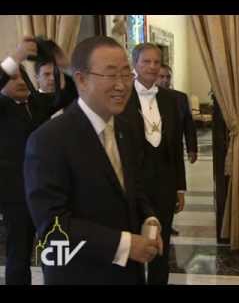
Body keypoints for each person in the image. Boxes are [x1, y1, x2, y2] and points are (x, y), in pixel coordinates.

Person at [24, 36, 162, 285]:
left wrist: (149, 218)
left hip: (128, 274)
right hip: (79, 274)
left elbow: (133, 187)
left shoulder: (127, 127)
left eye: (125, 74)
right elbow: (53, 225)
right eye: (111, 75)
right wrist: (127, 245)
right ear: (81, 79)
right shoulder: (48, 140)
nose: (122, 85)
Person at [0, 37, 73, 285]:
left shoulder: (38, 104)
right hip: (15, 196)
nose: (20, 81)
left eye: (23, 77)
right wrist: (16, 57)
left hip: (48, 193)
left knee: (58, 251)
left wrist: (63, 65)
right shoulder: (2, 108)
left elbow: (71, 93)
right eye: (13, 78)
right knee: (18, 255)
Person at [119, 43, 185, 285]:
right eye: (146, 61)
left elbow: (176, 145)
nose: (152, 66)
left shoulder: (170, 99)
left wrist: (180, 187)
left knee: (161, 244)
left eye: (156, 62)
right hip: (133, 185)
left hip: (165, 186)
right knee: (133, 245)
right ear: (135, 64)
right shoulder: (122, 97)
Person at [157, 64, 198, 164]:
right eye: (161, 77)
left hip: (175, 150)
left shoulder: (180, 97)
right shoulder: (148, 98)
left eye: (168, 77)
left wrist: (192, 149)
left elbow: (188, 126)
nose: (165, 80)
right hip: (154, 152)